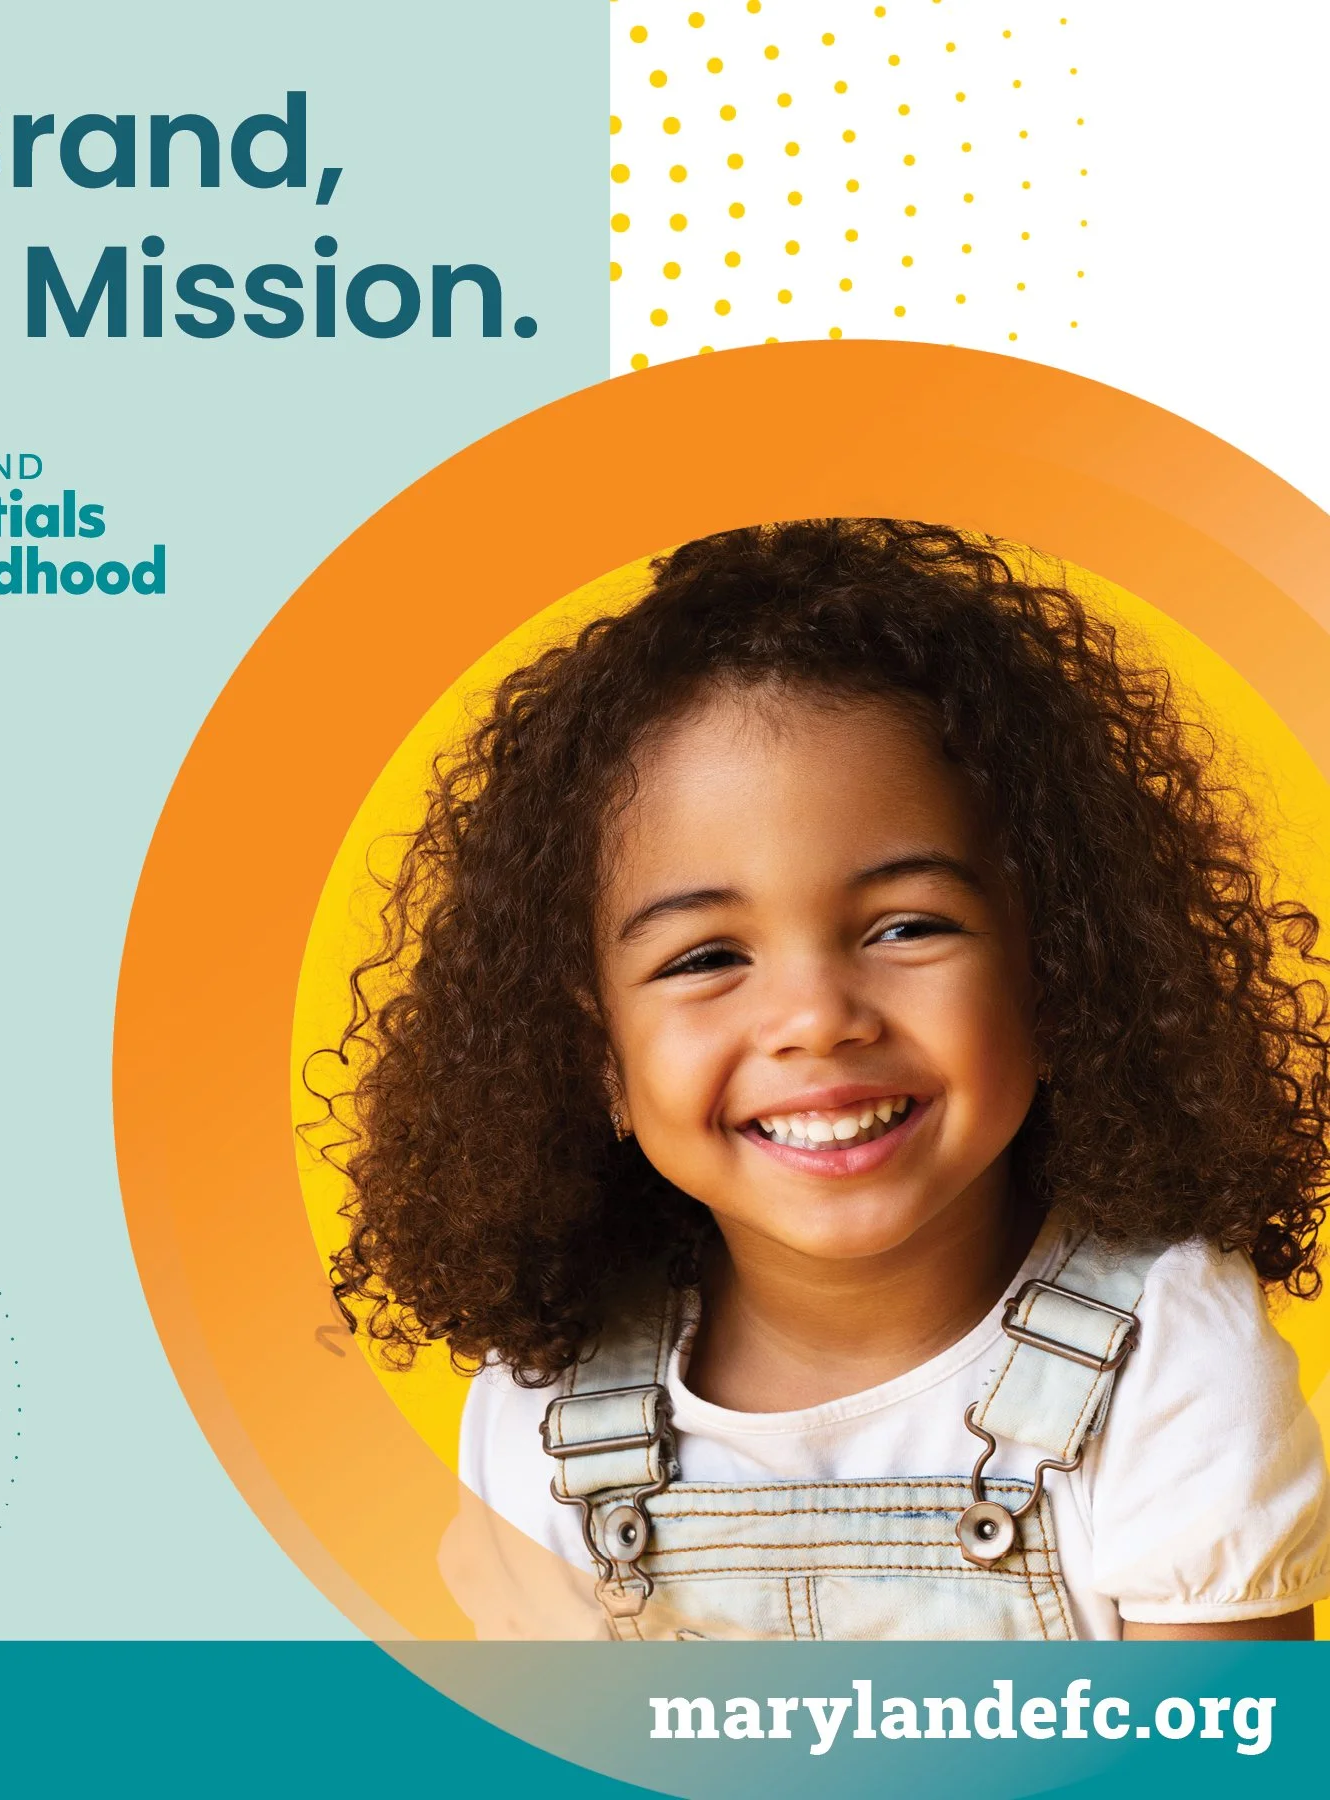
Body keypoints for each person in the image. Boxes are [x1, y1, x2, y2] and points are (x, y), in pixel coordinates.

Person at [316, 518, 1330, 1641]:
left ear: (1059, 968)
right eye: (706, 958)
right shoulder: (542, 1407)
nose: (815, 1020)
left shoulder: (1168, 1360)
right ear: (597, 1053)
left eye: (905, 926)